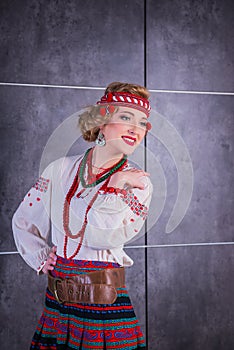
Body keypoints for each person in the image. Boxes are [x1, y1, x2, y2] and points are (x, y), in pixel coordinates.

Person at [12, 81, 153, 349]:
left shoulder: (138, 182)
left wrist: (113, 187)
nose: (136, 129)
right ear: (102, 121)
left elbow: (101, 236)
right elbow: (24, 221)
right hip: (58, 303)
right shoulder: (59, 169)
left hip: (104, 304)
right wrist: (42, 258)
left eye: (143, 122)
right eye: (126, 117)